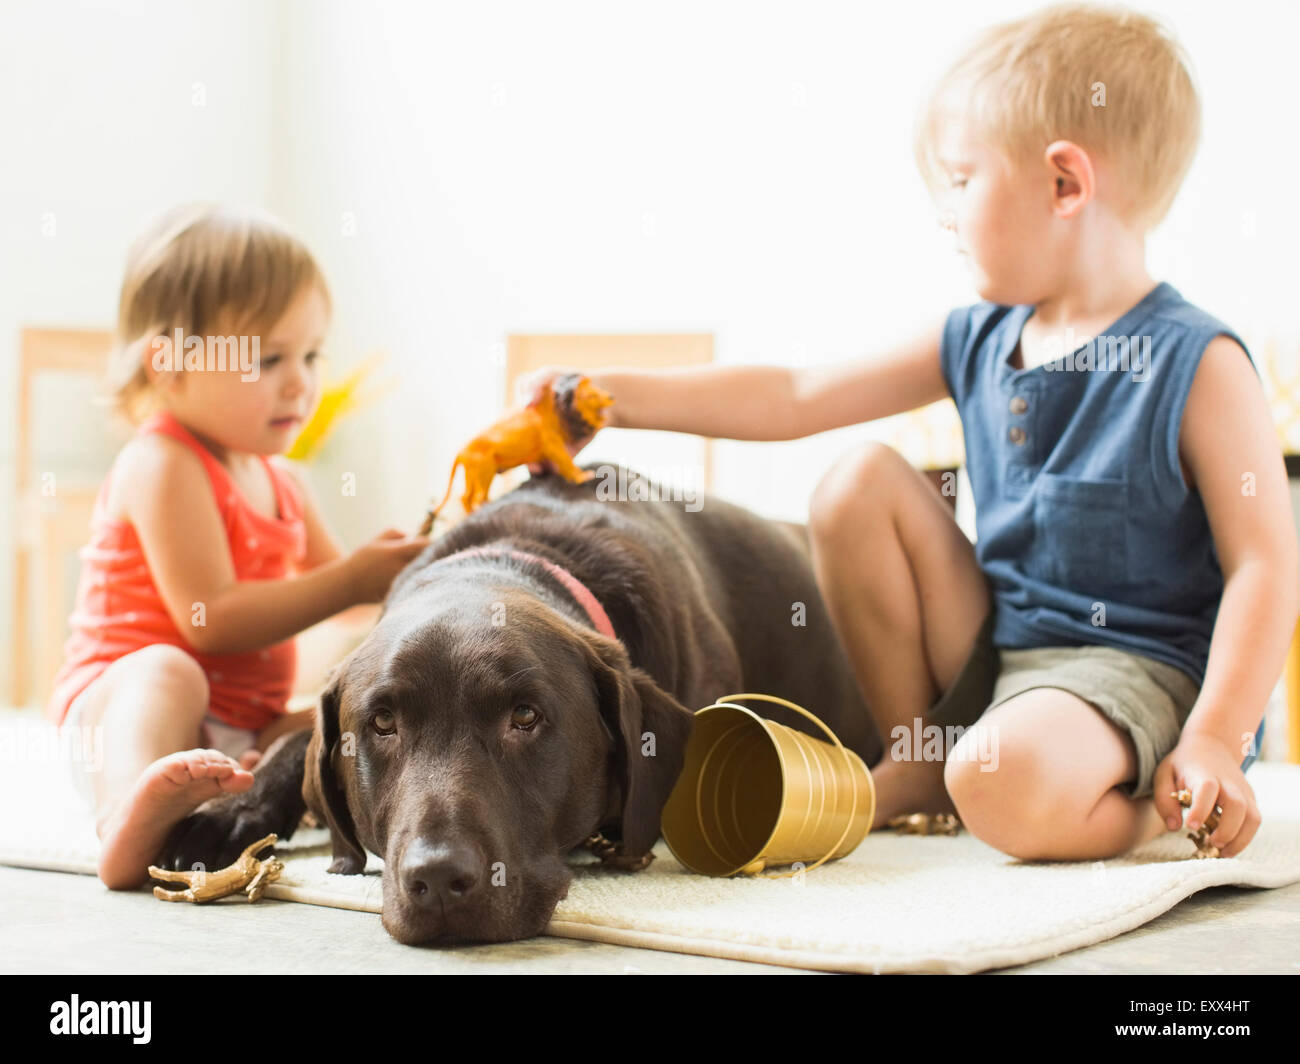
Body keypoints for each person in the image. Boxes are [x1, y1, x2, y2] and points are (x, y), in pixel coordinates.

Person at [517, 4, 1297, 862]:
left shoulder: (1199, 361)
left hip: (1136, 672)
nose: (944, 213)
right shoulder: (977, 336)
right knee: (856, 481)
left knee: (999, 778)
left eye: (961, 181)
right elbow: (795, 393)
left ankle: (1155, 795)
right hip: (1000, 647)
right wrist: (607, 398)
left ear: (1065, 183)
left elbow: (1265, 561)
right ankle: (920, 757)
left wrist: (1216, 736)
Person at [47, 204, 430, 889]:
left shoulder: (284, 483)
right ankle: (125, 816)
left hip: (231, 732)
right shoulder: (164, 462)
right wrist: (351, 578)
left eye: (310, 356)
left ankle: (218, 802)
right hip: (124, 716)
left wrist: (406, 579)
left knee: (328, 719)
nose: (299, 382)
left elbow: (352, 611)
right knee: (170, 669)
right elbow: (213, 617)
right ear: (168, 367)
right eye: (267, 359)